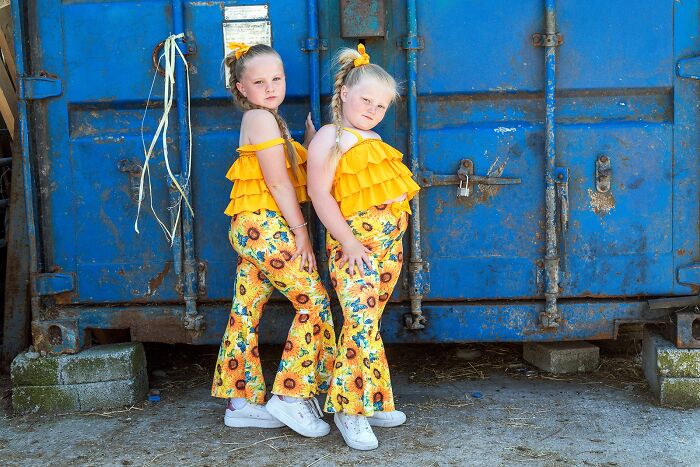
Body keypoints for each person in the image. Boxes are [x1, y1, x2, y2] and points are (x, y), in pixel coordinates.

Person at [211, 42, 335, 439]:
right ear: (242, 88)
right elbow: (279, 182)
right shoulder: (261, 120)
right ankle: (291, 394)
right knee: (313, 301)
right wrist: (302, 234)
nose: (270, 87)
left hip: (252, 226)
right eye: (259, 81)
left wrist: (312, 140)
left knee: (246, 308)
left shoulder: (270, 119)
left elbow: (289, 169)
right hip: (265, 226)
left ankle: (240, 402)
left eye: (276, 79)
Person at [307, 43, 420, 450]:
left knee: (368, 324)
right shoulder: (330, 137)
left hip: (387, 249)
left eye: (382, 105)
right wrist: (349, 241)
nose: (373, 110)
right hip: (354, 248)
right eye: (366, 100)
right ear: (344, 94)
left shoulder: (372, 138)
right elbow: (320, 195)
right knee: (357, 323)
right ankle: (348, 409)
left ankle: (374, 398)